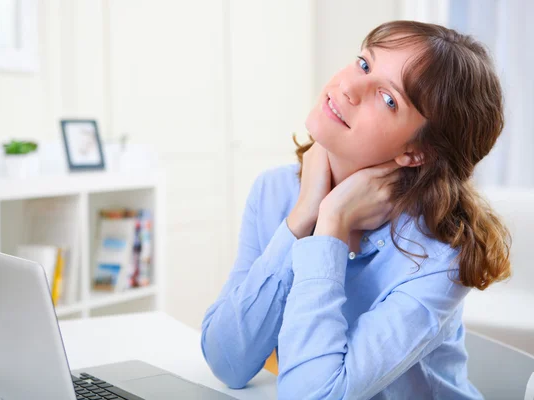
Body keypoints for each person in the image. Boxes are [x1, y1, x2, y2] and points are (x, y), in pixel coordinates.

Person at [201, 20, 511, 399]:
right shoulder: (275, 191)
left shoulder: (439, 257)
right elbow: (227, 361)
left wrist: (332, 223)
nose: (348, 87)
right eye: (364, 64)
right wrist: (302, 218)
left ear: (416, 152)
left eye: (388, 99)